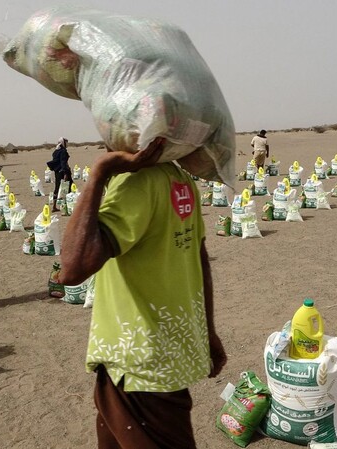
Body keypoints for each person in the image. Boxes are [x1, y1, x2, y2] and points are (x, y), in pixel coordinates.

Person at [58, 138, 226, 448]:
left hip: (138, 367)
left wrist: (99, 174)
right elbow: (197, 255)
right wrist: (207, 330)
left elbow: (72, 268)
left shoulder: (135, 183)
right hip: (161, 357)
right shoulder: (180, 178)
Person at [48, 137, 72, 212]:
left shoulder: (56, 151)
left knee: (57, 188)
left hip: (57, 172)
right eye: (66, 142)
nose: (67, 144)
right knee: (68, 188)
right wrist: (65, 173)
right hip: (63, 172)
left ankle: (54, 206)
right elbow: (63, 162)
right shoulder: (63, 151)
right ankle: (67, 206)